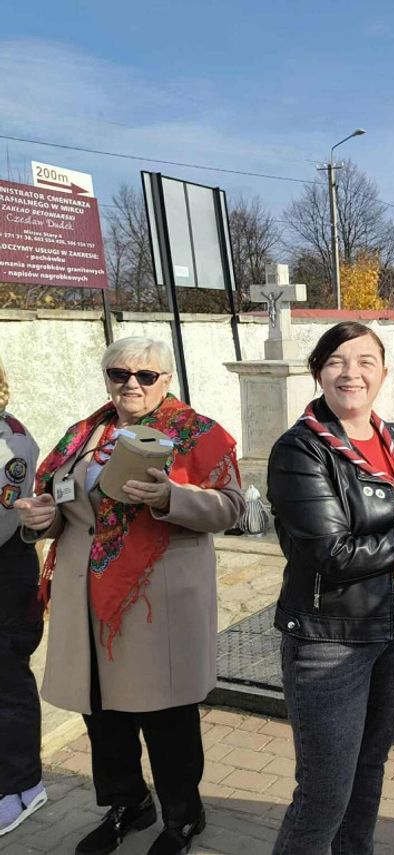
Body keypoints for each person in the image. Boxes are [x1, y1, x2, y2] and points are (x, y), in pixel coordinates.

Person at [15, 337, 243, 855]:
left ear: (166, 380)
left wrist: (170, 497)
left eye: (145, 375)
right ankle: (127, 803)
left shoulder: (197, 435)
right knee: (103, 714)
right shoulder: (83, 435)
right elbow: (62, 505)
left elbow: (229, 508)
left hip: (153, 599)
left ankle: (183, 816)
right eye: (120, 374)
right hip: (87, 599)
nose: (131, 384)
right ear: (107, 379)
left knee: (165, 716)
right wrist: (43, 519)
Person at [267, 322, 394, 853]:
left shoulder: (382, 437)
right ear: (318, 372)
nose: (350, 372)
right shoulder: (301, 451)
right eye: (336, 360)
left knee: (367, 771)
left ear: (383, 372)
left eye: (365, 361)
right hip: (330, 637)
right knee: (324, 793)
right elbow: (330, 555)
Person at [0, 358, 47, 837]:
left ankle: (24, 787)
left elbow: (4, 516)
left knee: (7, 681)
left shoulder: (10, 439)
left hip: (6, 573)